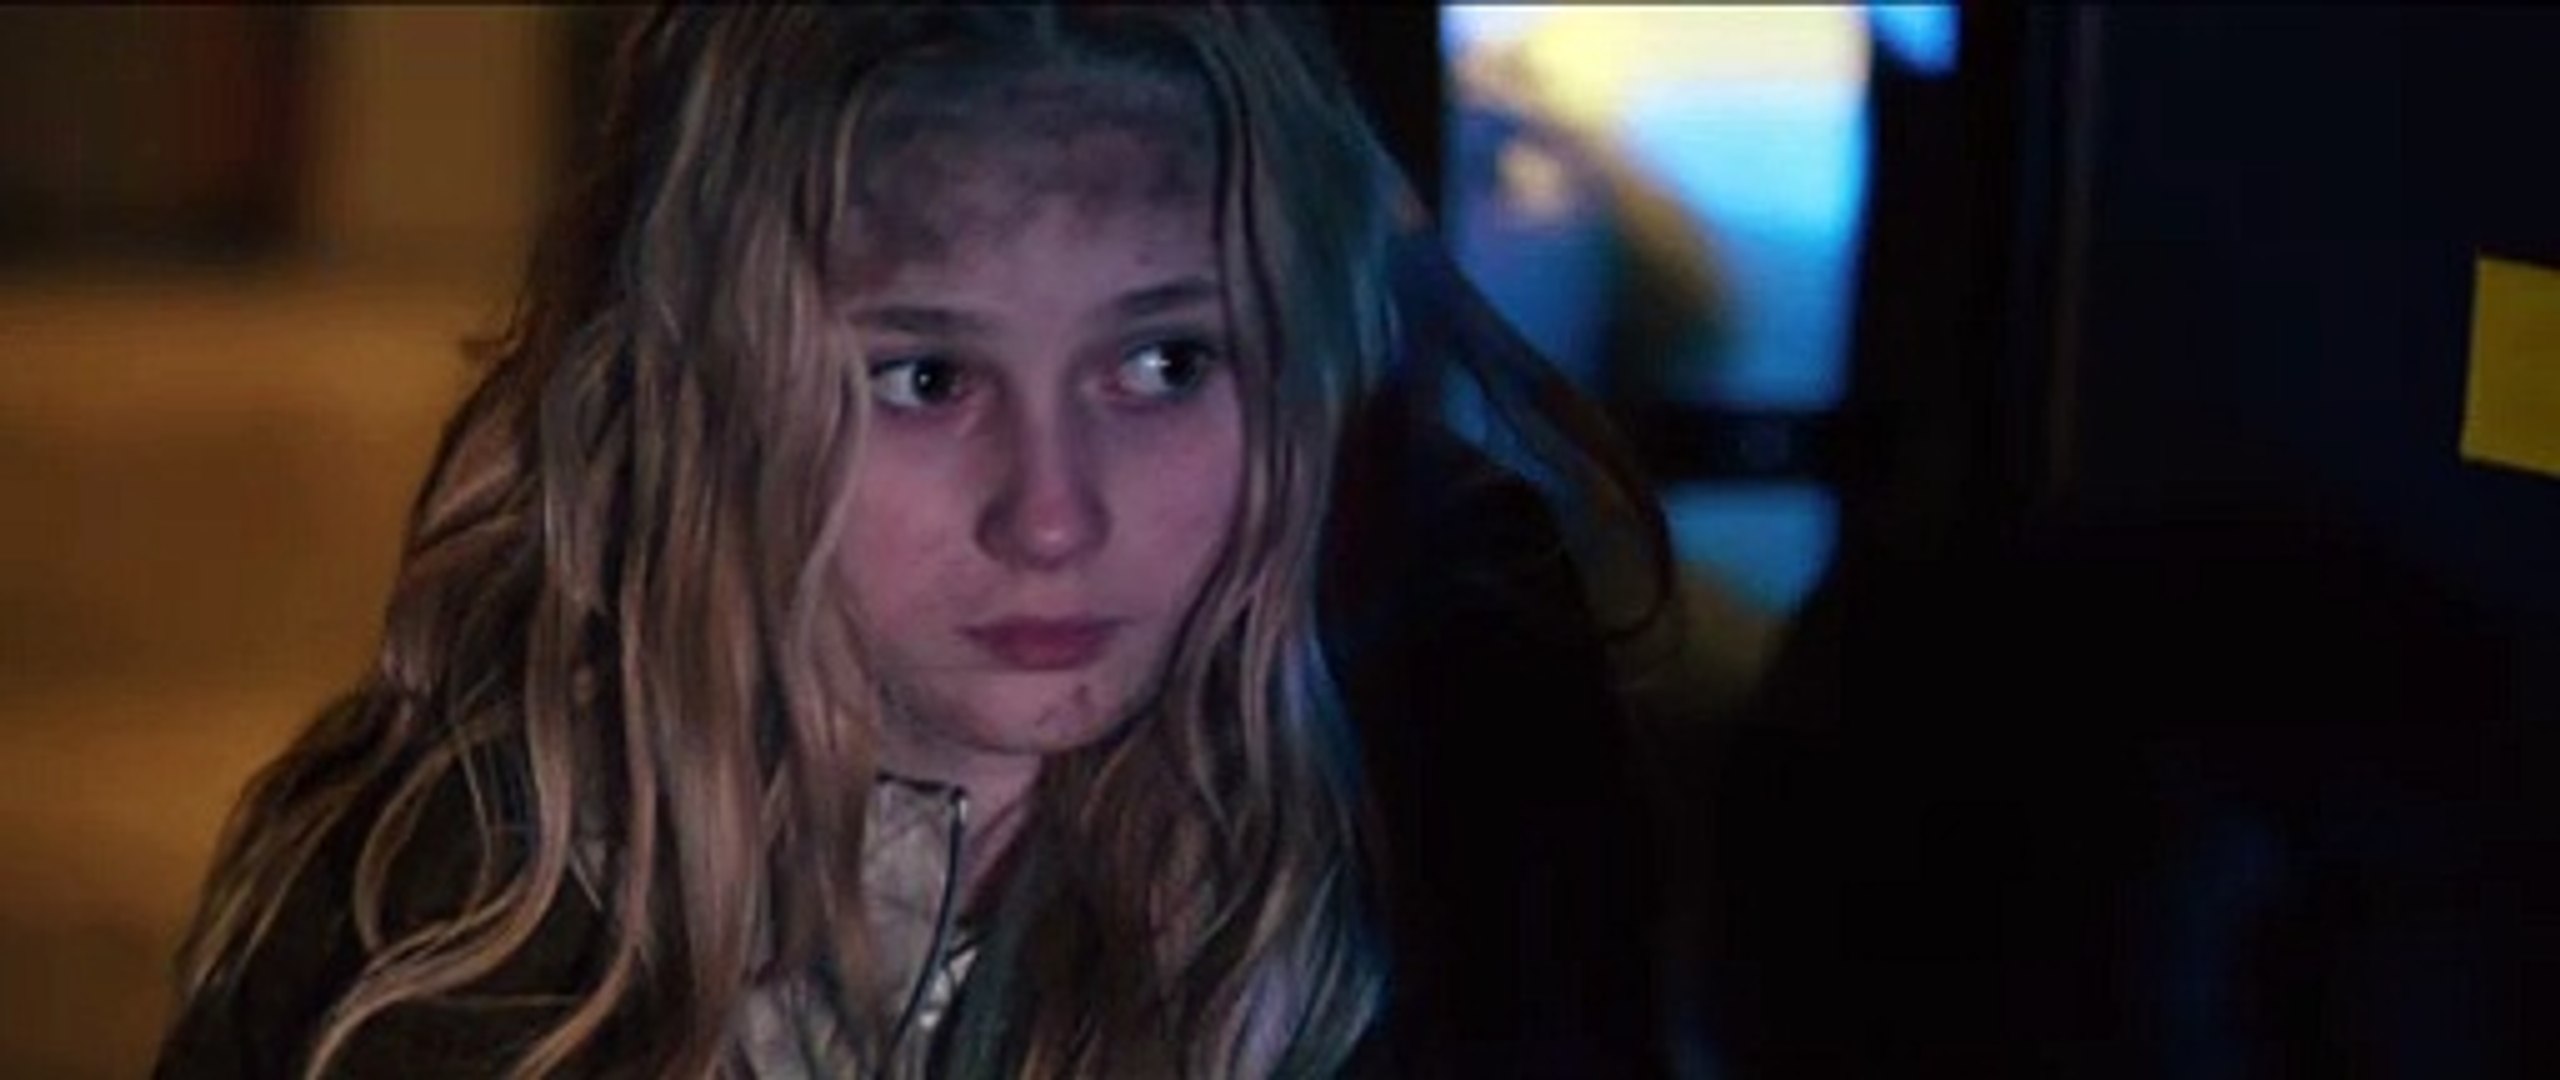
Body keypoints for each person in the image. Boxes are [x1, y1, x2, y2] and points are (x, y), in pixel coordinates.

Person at [156, 7, 1678, 1077]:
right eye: (927, 380)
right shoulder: (448, 912)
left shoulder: (1447, 806)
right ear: (719, 395)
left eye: (1163, 365)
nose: (1053, 515)